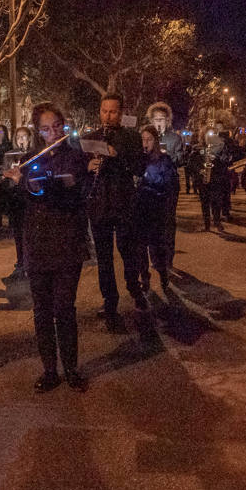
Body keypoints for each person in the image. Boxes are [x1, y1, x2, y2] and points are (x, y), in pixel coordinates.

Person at [3, 103, 91, 392]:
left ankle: (71, 368)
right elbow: (18, 206)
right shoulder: (28, 160)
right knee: (41, 310)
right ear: (37, 131)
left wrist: (31, 184)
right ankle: (50, 370)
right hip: (38, 243)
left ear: (64, 127)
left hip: (67, 242)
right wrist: (14, 183)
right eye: (45, 128)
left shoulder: (76, 158)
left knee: (64, 308)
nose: (52, 133)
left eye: (56, 127)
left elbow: (72, 196)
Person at [84, 93, 148, 321]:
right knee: (103, 258)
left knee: (128, 252)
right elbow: (83, 172)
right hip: (99, 205)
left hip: (123, 205)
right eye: (104, 111)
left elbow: (140, 169)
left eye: (112, 112)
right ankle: (109, 300)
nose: (107, 116)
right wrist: (89, 166)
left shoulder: (131, 137)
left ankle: (135, 288)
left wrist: (116, 156)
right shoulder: (91, 137)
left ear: (120, 114)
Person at [135, 124, 179, 295]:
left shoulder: (164, 160)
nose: (145, 143)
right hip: (139, 210)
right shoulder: (138, 160)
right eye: (143, 140)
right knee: (139, 247)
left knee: (156, 247)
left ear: (155, 140)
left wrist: (148, 183)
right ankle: (144, 278)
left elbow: (170, 184)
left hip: (155, 210)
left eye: (149, 139)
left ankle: (162, 275)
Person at [2, 126, 34, 281]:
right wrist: (6, 173)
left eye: (24, 137)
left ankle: (29, 261)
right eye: (19, 137)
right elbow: (4, 172)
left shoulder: (33, 155)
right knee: (17, 231)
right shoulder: (10, 155)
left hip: (28, 195)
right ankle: (20, 260)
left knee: (29, 231)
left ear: (30, 138)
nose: (22, 140)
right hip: (14, 195)